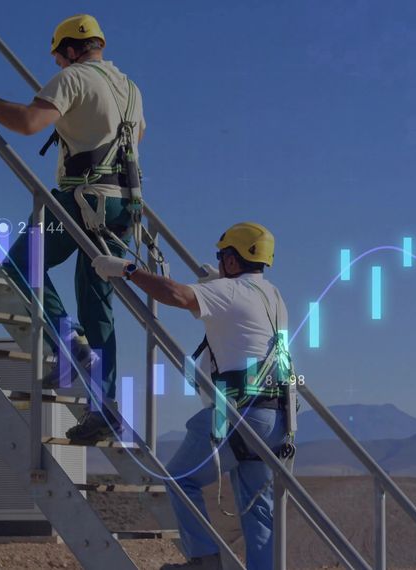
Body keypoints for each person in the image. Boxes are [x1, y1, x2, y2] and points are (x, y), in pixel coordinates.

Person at [0, 14, 144, 441]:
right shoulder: (129, 88)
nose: (57, 64)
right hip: (123, 208)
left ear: (72, 50)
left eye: (59, 56)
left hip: (80, 200)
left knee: (20, 262)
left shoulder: (74, 79)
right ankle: (103, 408)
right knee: (99, 305)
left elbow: (29, 123)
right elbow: (135, 139)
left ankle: (68, 343)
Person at [91, 222, 297, 570]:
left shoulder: (229, 292)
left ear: (232, 262)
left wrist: (127, 270)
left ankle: (203, 560)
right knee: (259, 512)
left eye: (222, 258)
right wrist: (211, 284)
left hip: (237, 412)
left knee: (181, 477)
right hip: (278, 417)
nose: (218, 265)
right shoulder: (273, 296)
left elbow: (176, 294)